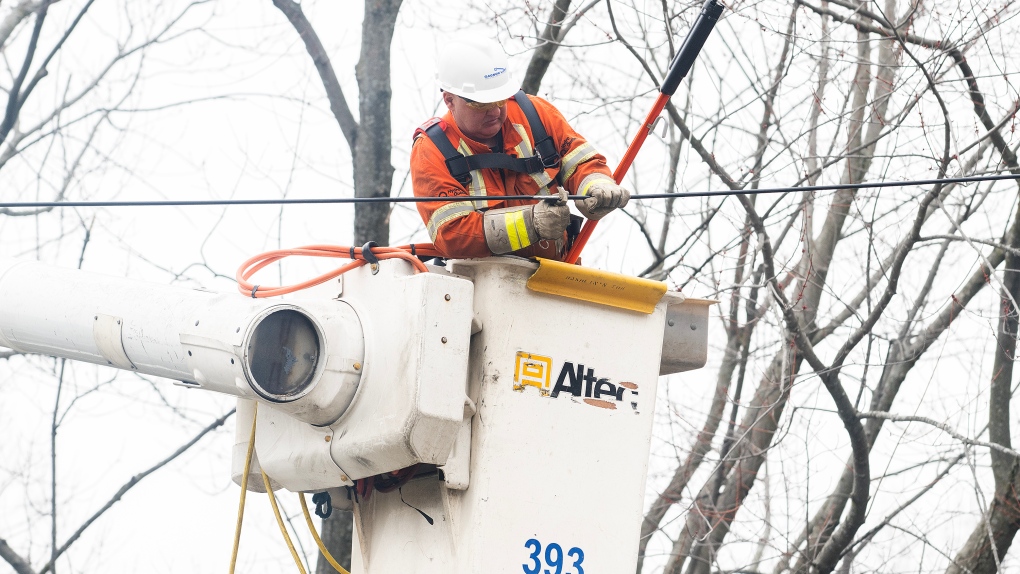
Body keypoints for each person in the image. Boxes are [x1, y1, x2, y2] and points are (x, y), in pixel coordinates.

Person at [411, 37, 630, 260]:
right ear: (449, 100)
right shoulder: (432, 150)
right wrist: (531, 224)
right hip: (481, 284)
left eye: (500, 100)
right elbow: (452, 234)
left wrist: (596, 186)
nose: (495, 112)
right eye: (482, 104)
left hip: (554, 273)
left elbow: (579, 161)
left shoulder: (535, 116)